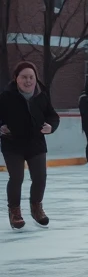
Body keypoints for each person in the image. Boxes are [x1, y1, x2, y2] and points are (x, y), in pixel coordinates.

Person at [0, 61, 59, 230]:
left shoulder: (41, 95)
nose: (28, 81)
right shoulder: (6, 97)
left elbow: (53, 116)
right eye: (24, 77)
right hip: (13, 143)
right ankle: (15, 212)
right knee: (17, 177)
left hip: (36, 143)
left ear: (35, 78)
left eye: (31, 77)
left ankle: (36, 207)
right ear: (16, 78)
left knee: (40, 178)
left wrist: (51, 126)